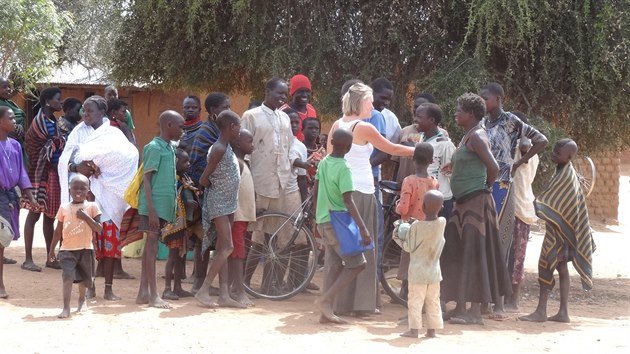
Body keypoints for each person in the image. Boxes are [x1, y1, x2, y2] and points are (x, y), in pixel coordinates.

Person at [326, 82, 414, 315]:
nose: (373, 105)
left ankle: (337, 302)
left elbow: (329, 160)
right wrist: (418, 150)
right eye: (370, 101)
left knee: (342, 248)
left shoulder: (337, 125)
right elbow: (391, 149)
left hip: (339, 193)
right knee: (365, 246)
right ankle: (362, 304)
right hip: (361, 193)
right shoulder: (362, 127)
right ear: (360, 102)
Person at [440, 93, 511, 325]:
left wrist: (486, 188)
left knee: (475, 254)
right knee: (460, 252)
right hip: (464, 204)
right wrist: (456, 165)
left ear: (470, 114)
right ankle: (460, 306)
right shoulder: (468, 136)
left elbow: (493, 166)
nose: (455, 114)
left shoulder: (477, 136)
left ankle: (474, 312)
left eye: (459, 110)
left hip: (476, 205)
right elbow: (475, 162)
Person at [58, 95, 139, 300]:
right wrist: (77, 167)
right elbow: (66, 158)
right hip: (88, 194)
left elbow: (129, 155)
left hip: (110, 193)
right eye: (83, 110)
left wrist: (104, 169)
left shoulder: (113, 133)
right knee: (88, 243)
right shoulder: (78, 132)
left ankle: (109, 289)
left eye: (90, 111)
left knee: (110, 241)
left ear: (102, 113)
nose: (85, 114)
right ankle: (90, 286)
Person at [479, 82, 548, 318]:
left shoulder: (512, 122)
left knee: (500, 245)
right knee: (484, 243)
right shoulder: (483, 123)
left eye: (486, 98)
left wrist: (518, 162)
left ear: (498, 98)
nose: (483, 102)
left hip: (503, 188)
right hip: (484, 186)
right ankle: (484, 301)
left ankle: (498, 304)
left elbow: (541, 140)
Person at [519, 139, 595, 323]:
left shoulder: (566, 177)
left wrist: (536, 204)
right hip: (565, 231)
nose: (553, 154)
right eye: (553, 151)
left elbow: (553, 202)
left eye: (557, 153)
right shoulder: (563, 171)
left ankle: (541, 311)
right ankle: (563, 312)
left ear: (569, 156)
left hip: (560, 233)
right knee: (561, 268)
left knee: (546, 265)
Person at [312, 128, 371, 324]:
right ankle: (326, 301)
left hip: (323, 220)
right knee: (357, 263)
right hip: (338, 222)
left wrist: (314, 217)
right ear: (348, 147)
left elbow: (315, 190)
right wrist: (363, 228)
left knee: (334, 265)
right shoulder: (345, 167)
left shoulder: (324, 162)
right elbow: (348, 200)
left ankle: (325, 312)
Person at [242, 78, 295, 290]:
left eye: (285, 94)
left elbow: (289, 148)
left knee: (273, 236)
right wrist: (248, 184)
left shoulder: (285, 118)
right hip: (258, 182)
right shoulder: (251, 116)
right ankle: (243, 282)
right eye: (279, 93)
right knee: (254, 237)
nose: (282, 97)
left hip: (279, 183)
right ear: (267, 92)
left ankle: (267, 286)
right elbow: (243, 151)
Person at [196, 110, 244, 309]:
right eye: (239, 127)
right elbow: (203, 179)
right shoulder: (218, 148)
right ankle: (204, 290)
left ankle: (224, 294)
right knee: (227, 247)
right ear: (231, 127)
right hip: (219, 204)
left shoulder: (227, 147)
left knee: (223, 248)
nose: (240, 131)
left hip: (228, 203)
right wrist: (218, 189)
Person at [135, 110, 184, 309]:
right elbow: (146, 180)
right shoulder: (154, 148)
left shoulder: (170, 148)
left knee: (151, 247)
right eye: (180, 126)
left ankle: (143, 292)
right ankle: (153, 295)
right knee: (151, 247)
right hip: (153, 207)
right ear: (169, 125)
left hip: (162, 207)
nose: (183, 130)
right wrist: (152, 211)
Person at [188, 92, 231, 292]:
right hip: (205, 190)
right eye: (225, 107)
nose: (228, 110)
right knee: (203, 238)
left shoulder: (217, 129)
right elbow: (198, 163)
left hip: (215, 189)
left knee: (207, 238)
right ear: (213, 111)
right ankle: (198, 282)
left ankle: (202, 281)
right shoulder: (206, 132)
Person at [22, 86, 65, 272]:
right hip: (39, 175)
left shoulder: (52, 121)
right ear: (48, 101)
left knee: (49, 217)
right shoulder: (40, 123)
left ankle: (50, 257)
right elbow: (39, 148)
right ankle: (28, 259)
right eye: (58, 99)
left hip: (50, 174)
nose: (60, 102)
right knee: (34, 214)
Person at [48, 174, 102, 318]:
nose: (79, 191)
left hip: (86, 249)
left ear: (88, 191)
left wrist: (85, 217)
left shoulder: (92, 206)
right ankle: (66, 308)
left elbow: (99, 228)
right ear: (69, 190)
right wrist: (52, 249)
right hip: (67, 250)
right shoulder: (64, 207)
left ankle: (82, 299)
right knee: (67, 277)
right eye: (75, 188)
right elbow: (58, 230)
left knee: (85, 279)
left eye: (83, 188)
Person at [396, 190, 446, 339]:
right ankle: (432, 330)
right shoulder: (442, 223)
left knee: (415, 302)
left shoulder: (416, 226)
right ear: (441, 207)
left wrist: (397, 236)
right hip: (434, 272)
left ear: (422, 207)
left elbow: (408, 247)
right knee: (433, 301)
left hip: (417, 273)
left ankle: (414, 330)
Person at [395, 142, 439, 303]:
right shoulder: (433, 182)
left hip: (411, 227)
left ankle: (404, 291)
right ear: (432, 161)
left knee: (407, 257)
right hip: (428, 227)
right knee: (423, 259)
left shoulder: (409, 181)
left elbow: (404, 208)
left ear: (413, 160)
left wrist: (397, 207)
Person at [505, 112, 540, 312]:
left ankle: (513, 299)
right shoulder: (517, 146)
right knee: (512, 255)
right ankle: (506, 297)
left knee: (516, 256)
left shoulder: (524, 147)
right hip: (516, 206)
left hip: (518, 208)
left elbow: (525, 144)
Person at [0, 106, 35, 298]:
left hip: (9, 197)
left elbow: (21, 172)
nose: (15, 122)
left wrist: (30, 196)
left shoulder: (15, 145)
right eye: (11, 118)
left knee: (2, 242)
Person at [161, 149, 196, 301]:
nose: (188, 164)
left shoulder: (184, 178)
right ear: (175, 163)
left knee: (181, 256)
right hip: (174, 225)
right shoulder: (172, 180)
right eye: (184, 162)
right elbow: (173, 197)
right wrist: (187, 201)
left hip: (183, 225)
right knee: (173, 256)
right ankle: (167, 288)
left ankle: (178, 287)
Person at [229, 129, 256, 307]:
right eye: (249, 141)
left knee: (239, 253)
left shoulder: (243, 162)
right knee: (238, 254)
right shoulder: (236, 164)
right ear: (238, 144)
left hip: (244, 216)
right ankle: (238, 290)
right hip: (237, 216)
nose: (252, 145)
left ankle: (234, 288)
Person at [415, 103, 455, 219]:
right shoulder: (421, 138)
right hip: (422, 197)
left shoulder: (445, 145)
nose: (415, 119)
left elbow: (451, 173)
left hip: (439, 201)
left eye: (419, 117)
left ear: (431, 120)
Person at [393, 93, 437, 185]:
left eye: (422, 107)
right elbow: (397, 163)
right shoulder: (404, 131)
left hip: (425, 189)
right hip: (403, 187)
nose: (417, 110)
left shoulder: (439, 135)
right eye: (415, 106)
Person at [282, 74, 318, 141]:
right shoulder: (283, 111)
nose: (305, 95)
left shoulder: (311, 109)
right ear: (293, 93)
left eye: (307, 91)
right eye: (301, 91)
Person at [0, 78, 26, 143]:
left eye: (9, 86)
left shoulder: (10, 103)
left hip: (18, 141)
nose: (9, 89)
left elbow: (20, 117)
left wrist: (20, 126)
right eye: (4, 87)